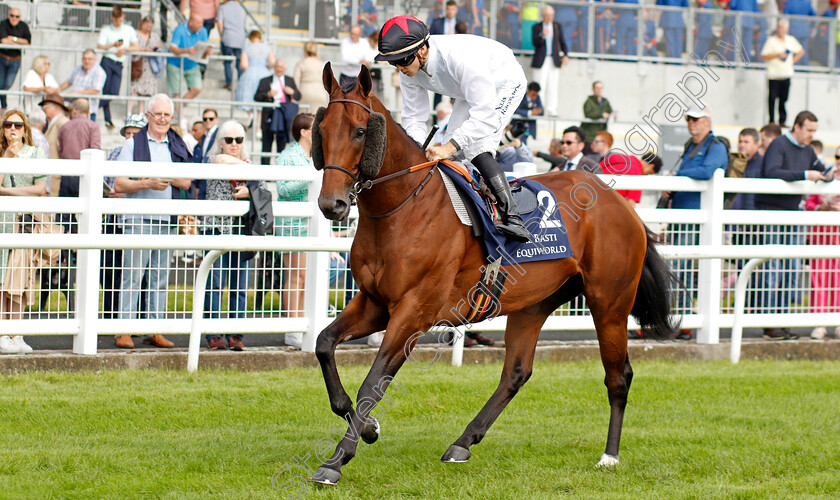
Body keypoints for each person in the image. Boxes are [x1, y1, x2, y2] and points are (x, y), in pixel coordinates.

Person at [375, 15, 530, 242]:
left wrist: (447, 147)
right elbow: (414, 119)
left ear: (421, 51)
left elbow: (484, 115)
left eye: (402, 60)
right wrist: (418, 152)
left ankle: (513, 217)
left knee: (475, 146)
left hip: (504, 82)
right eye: (393, 62)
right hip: (467, 91)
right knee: (456, 155)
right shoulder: (408, 70)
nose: (399, 67)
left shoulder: (458, 58)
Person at [114, 94, 193, 349]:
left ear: (172, 117)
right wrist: (147, 182)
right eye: (157, 114)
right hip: (138, 217)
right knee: (132, 275)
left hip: (166, 219)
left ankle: (154, 329)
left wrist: (166, 178)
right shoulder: (132, 144)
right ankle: (124, 330)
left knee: (160, 277)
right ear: (148, 116)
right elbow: (119, 183)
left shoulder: (176, 144)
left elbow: (187, 181)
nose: (162, 118)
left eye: (166, 114)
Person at [754, 110, 828, 339]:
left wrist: (830, 174)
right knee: (772, 268)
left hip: (793, 215)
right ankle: (770, 323)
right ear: (797, 127)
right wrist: (806, 174)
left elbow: (822, 171)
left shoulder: (807, 150)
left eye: (814, 131)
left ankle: (783, 320)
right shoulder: (778, 144)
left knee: (791, 268)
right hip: (772, 213)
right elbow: (772, 172)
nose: (811, 136)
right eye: (809, 130)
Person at [666, 106, 728, 340]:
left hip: (698, 218)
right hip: (683, 216)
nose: (691, 123)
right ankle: (681, 321)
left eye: (696, 119)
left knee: (683, 270)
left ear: (707, 121)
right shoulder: (691, 145)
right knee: (680, 269)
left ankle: (683, 322)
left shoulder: (716, 146)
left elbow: (709, 171)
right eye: (689, 119)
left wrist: (677, 178)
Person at [202, 120, 258, 351]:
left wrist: (250, 190)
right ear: (220, 142)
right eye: (229, 140)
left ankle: (235, 335)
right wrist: (249, 172)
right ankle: (213, 335)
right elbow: (221, 161)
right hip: (217, 229)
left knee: (240, 285)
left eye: (239, 140)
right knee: (214, 284)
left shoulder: (251, 165)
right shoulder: (212, 159)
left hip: (241, 231)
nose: (234, 144)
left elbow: (263, 188)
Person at [0, 109, 48, 354]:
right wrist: (7, 158)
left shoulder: (35, 152)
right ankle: (2, 333)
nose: (13, 130)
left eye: (18, 126)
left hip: (24, 223)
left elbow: (40, 188)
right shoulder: (1, 153)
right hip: (2, 222)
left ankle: (16, 334)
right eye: (8, 125)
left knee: (19, 278)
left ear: (25, 130)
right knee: (1, 279)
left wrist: (6, 192)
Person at [275, 113, 314, 349]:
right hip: (292, 224)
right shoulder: (287, 156)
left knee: (306, 277)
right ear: (304, 132)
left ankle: (301, 322)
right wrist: (309, 178)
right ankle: (292, 326)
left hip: (310, 223)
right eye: (314, 128)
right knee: (295, 276)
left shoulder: (315, 156)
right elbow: (283, 188)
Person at [102, 114, 145, 318]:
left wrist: (125, 190)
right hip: (114, 220)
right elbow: (107, 182)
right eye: (127, 133)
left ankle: (134, 319)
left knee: (137, 273)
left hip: (137, 221)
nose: (129, 137)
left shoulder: (147, 154)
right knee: (110, 271)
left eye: (134, 134)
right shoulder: (116, 153)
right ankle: (111, 317)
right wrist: (111, 191)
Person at [804, 148, 840, 340]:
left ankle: (837, 320)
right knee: (819, 278)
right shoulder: (825, 178)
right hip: (821, 234)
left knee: (838, 279)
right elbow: (809, 203)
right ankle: (819, 322)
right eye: (837, 157)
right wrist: (822, 207)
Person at [96, 6, 139, 129]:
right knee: (106, 92)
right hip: (107, 61)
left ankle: (91, 107)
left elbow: (136, 46)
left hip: (119, 63)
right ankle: (108, 119)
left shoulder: (129, 29)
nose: (118, 22)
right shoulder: (106, 30)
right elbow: (100, 46)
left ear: (123, 16)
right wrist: (113, 46)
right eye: (116, 19)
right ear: (112, 18)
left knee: (113, 92)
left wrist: (124, 49)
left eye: (119, 19)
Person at [254, 59, 300, 165]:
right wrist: (268, 94)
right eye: (277, 67)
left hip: (283, 116)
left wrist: (292, 92)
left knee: (282, 147)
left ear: (285, 69)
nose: (279, 69)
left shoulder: (290, 80)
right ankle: (264, 175)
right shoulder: (265, 81)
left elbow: (299, 96)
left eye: (281, 67)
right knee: (266, 146)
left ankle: (280, 172)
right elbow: (257, 97)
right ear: (274, 67)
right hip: (268, 116)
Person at [760, 19, 804, 127]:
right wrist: (777, 55)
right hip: (774, 74)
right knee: (772, 99)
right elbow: (764, 55)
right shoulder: (771, 40)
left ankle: (782, 121)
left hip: (786, 74)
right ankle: (771, 121)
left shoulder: (790, 40)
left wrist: (793, 60)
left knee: (783, 99)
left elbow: (801, 51)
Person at [167, 13, 212, 113]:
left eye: (202, 22)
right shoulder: (179, 29)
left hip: (192, 63)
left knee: (197, 88)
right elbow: (173, 49)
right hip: (175, 63)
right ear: (191, 23)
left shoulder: (203, 31)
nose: (201, 25)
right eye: (199, 22)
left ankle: (177, 108)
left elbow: (205, 48)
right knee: (176, 92)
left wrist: (207, 52)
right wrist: (187, 51)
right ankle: (181, 118)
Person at [530, 5, 568, 117]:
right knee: (540, 85)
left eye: (551, 15)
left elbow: (562, 41)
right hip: (541, 59)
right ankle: (539, 109)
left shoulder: (557, 26)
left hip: (553, 59)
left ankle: (552, 110)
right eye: (547, 15)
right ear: (543, 16)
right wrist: (542, 36)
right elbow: (535, 42)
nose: (549, 18)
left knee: (553, 85)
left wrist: (565, 54)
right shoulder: (537, 27)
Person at [235, 29, 275, 127]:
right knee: (261, 100)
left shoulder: (247, 48)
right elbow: (272, 63)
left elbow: (244, 65)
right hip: (264, 73)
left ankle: (251, 115)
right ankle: (258, 128)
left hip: (250, 73)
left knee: (249, 98)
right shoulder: (267, 47)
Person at [594, 132, 642, 205]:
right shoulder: (602, 159)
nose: (593, 143)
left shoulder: (615, 161)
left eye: (596, 142)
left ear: (605, 143)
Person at [58, 49, 106, 122]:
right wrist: (58, 90)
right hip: (72, 109)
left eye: (89, 59)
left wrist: (75, 93)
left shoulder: (99, 72)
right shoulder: (79, 68)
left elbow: (95, 91)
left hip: (87, 112)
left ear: (95, 60)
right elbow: (69, 81)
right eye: (84, 58)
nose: (86, 61)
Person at [128, 16, 163, 116]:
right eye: (147, 25)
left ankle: (141, 114)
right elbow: (130, 47)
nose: (148, 27)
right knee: (134, 89)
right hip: (138, 64)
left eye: (150, 26)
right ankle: (129, 112)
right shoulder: (135, 34)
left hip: (150, 67)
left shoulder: (154, 36)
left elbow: (159, 48)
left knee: (144, 92)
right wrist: (143, 49)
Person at [0, 8, 31, 111]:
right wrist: (18, 43)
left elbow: (27, 42)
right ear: (8, 16)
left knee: (7, 84)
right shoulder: (3, 24)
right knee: (1, 84)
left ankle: (3, 107)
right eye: (12, 15)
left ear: (20, 17)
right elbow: (3, 40)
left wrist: (12, 39)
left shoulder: (23, 26)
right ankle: (4, 106)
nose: (14, 18)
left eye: (16, 16)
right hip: (2, 58)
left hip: (15, 60)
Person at [216, 0, 246, 91]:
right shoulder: (241, 9)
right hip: (240, 40)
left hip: (228, 38)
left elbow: (219, 23)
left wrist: (222, 35)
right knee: (239, 63)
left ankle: (229, 83)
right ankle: (241, 83)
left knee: (227, 61)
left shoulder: (223, 8)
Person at [293, 41, 328, 113]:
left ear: (305, 50)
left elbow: (295, 82)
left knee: (304, 118)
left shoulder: (301, 63)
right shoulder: (322, 64)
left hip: (305, 92)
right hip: (320, 92)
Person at [39, 93, 69, 165]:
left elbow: (66, 150)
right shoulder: (53, 123)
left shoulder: (63, 122)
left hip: (57, 171)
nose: (43, 109)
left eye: (46, 106)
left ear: (56, 107)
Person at [783, 0, 816, 65]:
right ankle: (805, 70)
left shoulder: (790, 2)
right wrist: (812, 27)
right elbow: (814, 15)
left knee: (795, 51)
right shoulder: (807, 2)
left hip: (793, 31)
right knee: (804, 51)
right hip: (804, 31)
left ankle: (797, 69)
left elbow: (785, 16)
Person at [581, 81, 612, 146]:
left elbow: (610, 111)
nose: (599, 90)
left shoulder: (605, 101)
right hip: (590, 134)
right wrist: (602, 115)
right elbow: (588, 114)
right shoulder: (589, 101)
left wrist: (613, 115)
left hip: (601, 132)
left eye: (600, 88)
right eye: (597, 88)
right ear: (593, 89)